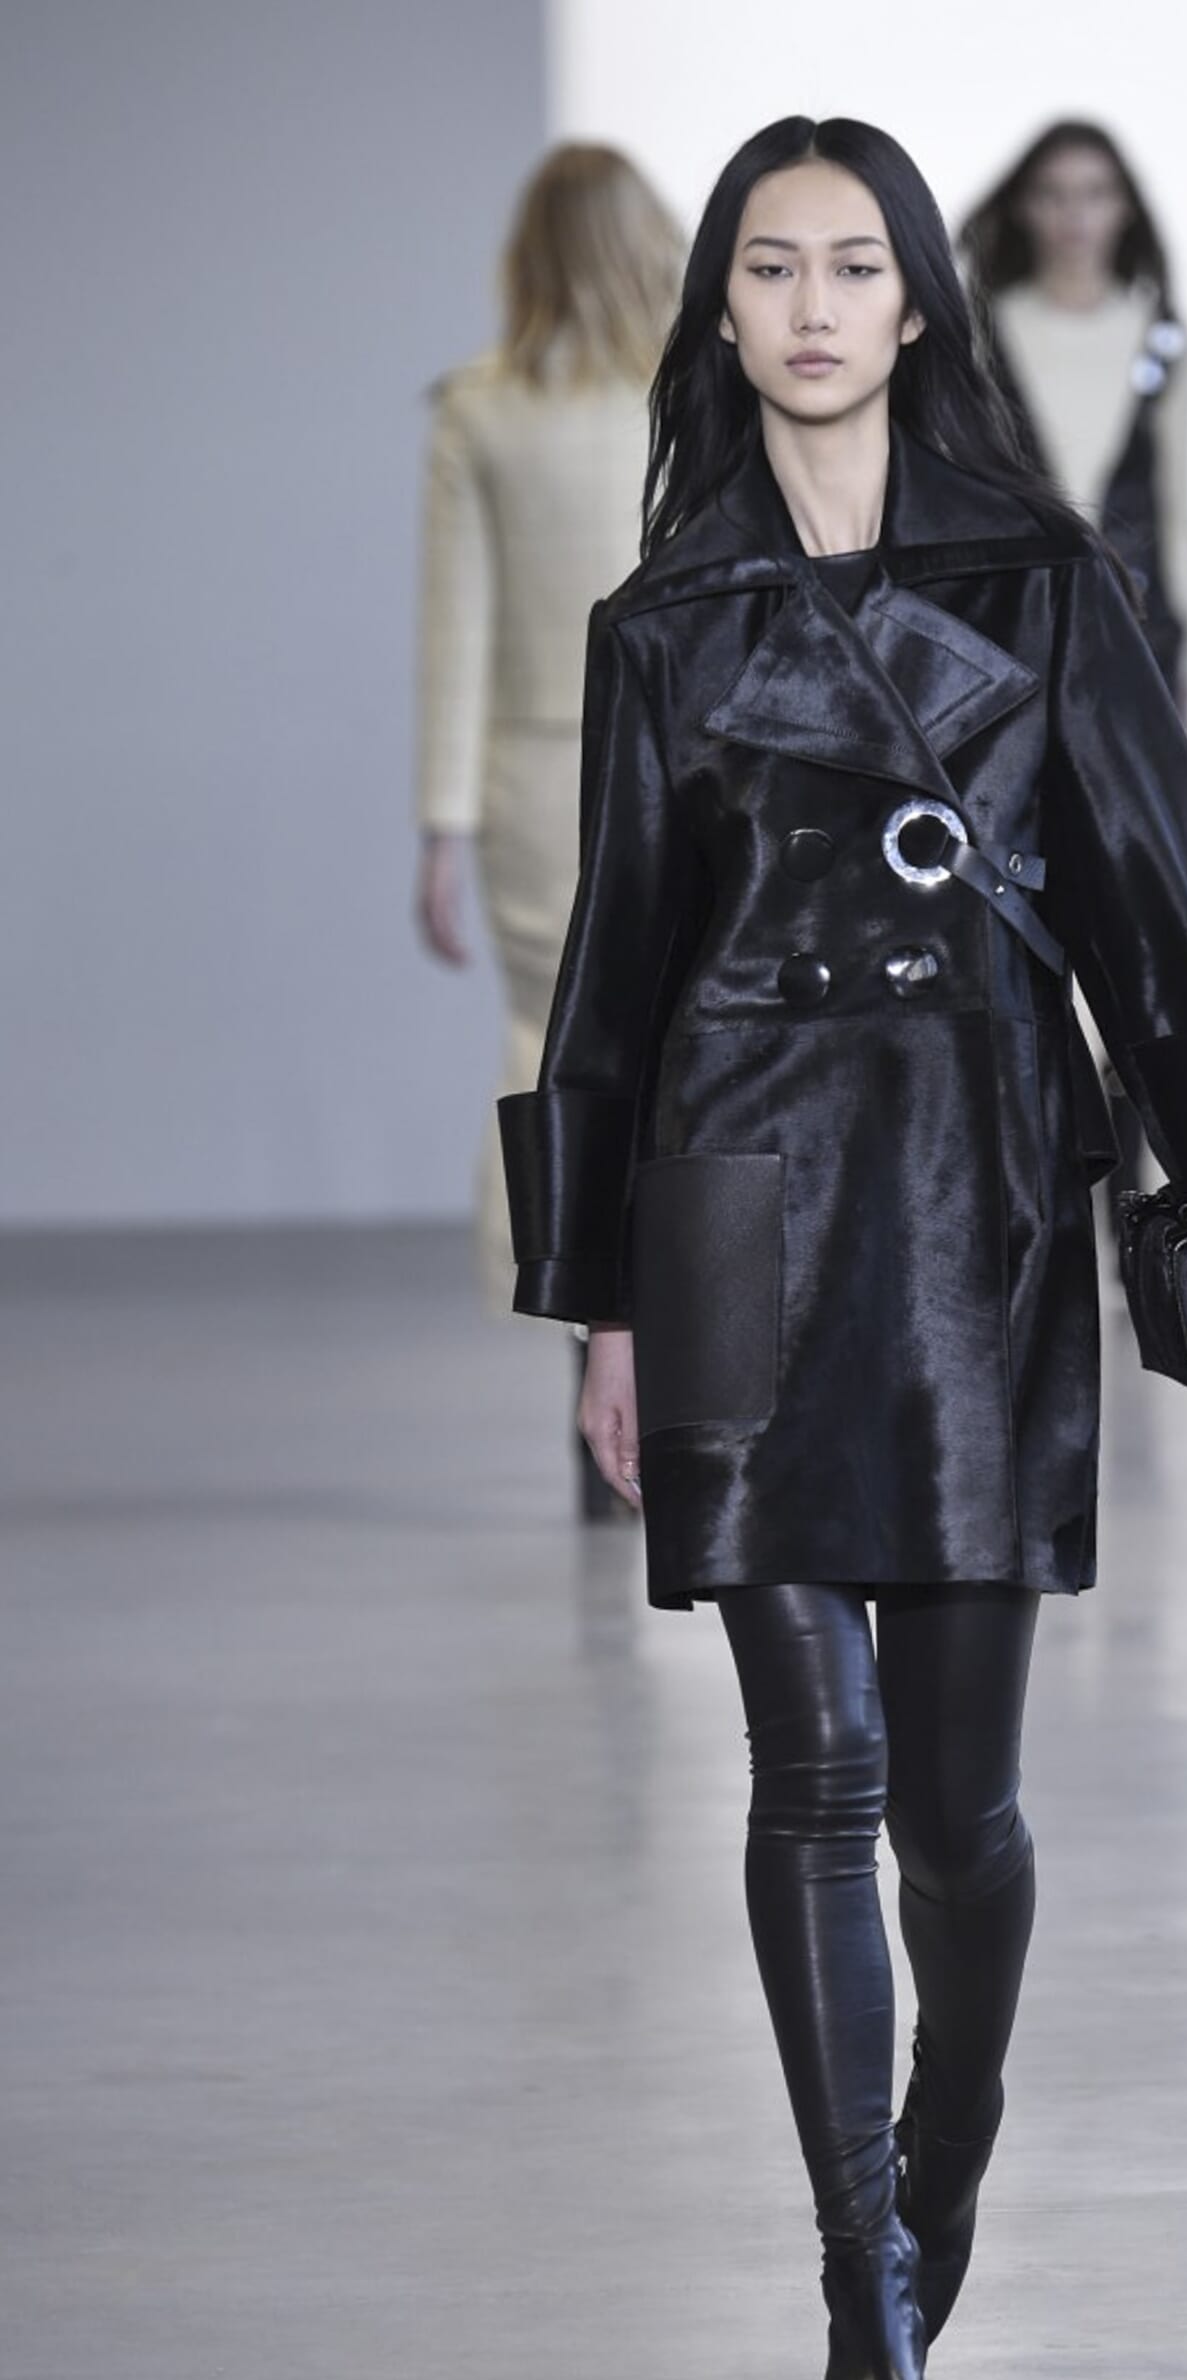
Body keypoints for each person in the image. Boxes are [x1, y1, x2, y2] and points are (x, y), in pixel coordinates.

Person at [498, 115, 1187, 2380]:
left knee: (957, 1814)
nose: (814, 305)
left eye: (855, 264)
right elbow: (615, 979)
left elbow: (1155, 899)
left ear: (918, 300)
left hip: (970, 1189)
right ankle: (861, 2279)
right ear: (720, 307)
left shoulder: (1040, 583)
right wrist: (601, 1301)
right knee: (810, 1770)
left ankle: (943, 2148)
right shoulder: (660, 624)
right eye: (771, 266)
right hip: (733, 1192)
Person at [413, 142, 681, 1512]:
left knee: (551, 1049)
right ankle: (671, 1378)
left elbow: (453, 630)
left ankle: (587, 1358)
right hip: (686, 765)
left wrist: (441, 828)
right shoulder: (697, 397)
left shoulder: (480, 408)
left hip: (533, 778)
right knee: (683, 1050)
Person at [962, 121, 1187, 710]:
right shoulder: (980, 333)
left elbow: (1174, 502)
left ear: (1126, 207)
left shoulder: (1162, 339)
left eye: (1096, 193)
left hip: (1138, 628)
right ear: (1022, 206)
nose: (1075, 215)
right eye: (1053, 193)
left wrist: (1185, 648)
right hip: (1011, 626)